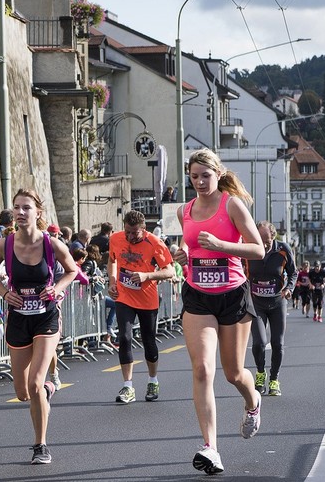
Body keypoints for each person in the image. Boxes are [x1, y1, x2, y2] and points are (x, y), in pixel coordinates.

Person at [171, 148, 265, 475]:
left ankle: (252, 402)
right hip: (197, 295)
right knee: (202, 370)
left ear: (218, 173)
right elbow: (188, 244)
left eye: (205, 175)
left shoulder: (231, 205)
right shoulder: (185, 209)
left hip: (233, 296)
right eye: (194, 176)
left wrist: (223, 247)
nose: (199, 182)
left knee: (233, 373)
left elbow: (258, 248)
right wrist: (181, 254)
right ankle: (211, 447)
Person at [0, 188, 78, 465]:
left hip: (46, 317)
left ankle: (41, 445)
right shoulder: (5, 244)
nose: (21, 212)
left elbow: (72, 270)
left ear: (38, 212)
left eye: (26, 208)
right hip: (18, 318)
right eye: (17, 208)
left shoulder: (52, 244)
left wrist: (57, 289)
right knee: (23, 392)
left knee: (35, 382)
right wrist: (4, 292)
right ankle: (48, 390)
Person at [107, 210, 175, 403]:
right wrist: (111, 281)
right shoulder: (116, 239)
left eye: (134, 233)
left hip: (147, 298)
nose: (129, 236)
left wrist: (147, 276)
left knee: (148, 341)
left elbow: (169, 271)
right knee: (125, 337)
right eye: (127, 231)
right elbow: (112, 260)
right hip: (124, 296)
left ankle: (153, 380)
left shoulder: (155, 243)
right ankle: (128, 387)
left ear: (143, 230)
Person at [247, 221, 295, 397]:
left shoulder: (283, 249)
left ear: (273, 236)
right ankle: (260, 373)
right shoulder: (250, 249)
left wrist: (289, 288)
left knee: (277, 343)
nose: (263, 243)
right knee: (259, 343)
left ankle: (274, 379)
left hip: (277, 301)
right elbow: (243, 272)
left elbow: (293, 272)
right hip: (256, 302)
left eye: (266, 239)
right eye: (259, 238)